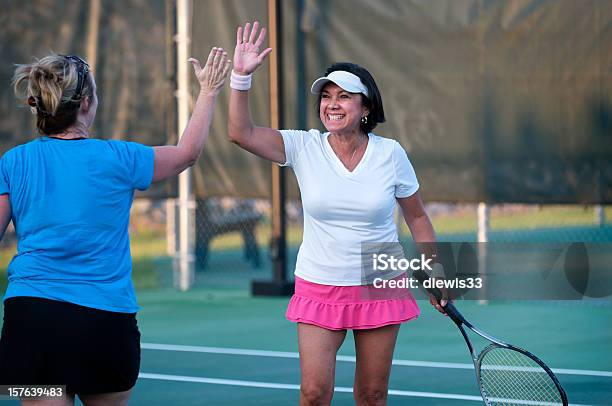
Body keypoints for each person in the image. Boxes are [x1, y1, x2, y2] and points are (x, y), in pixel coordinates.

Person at [228, 21, 446, 406]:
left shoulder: (391, 154)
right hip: (319, 282)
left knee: (372, 394)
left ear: (365, 108)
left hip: (380, 282)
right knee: (314, 394)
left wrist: (434, 270)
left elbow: (417, 217)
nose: (332, 103)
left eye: (345, 96)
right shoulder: (302, 146)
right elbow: (240, 132)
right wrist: (241, 77)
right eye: (327, 96)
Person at [0, 47, 230, 405]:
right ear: (88, 102)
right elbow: (187, 153)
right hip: (103, 323)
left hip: (31, 319)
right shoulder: (120, 157)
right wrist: (210, 90)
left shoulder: (13, 162)